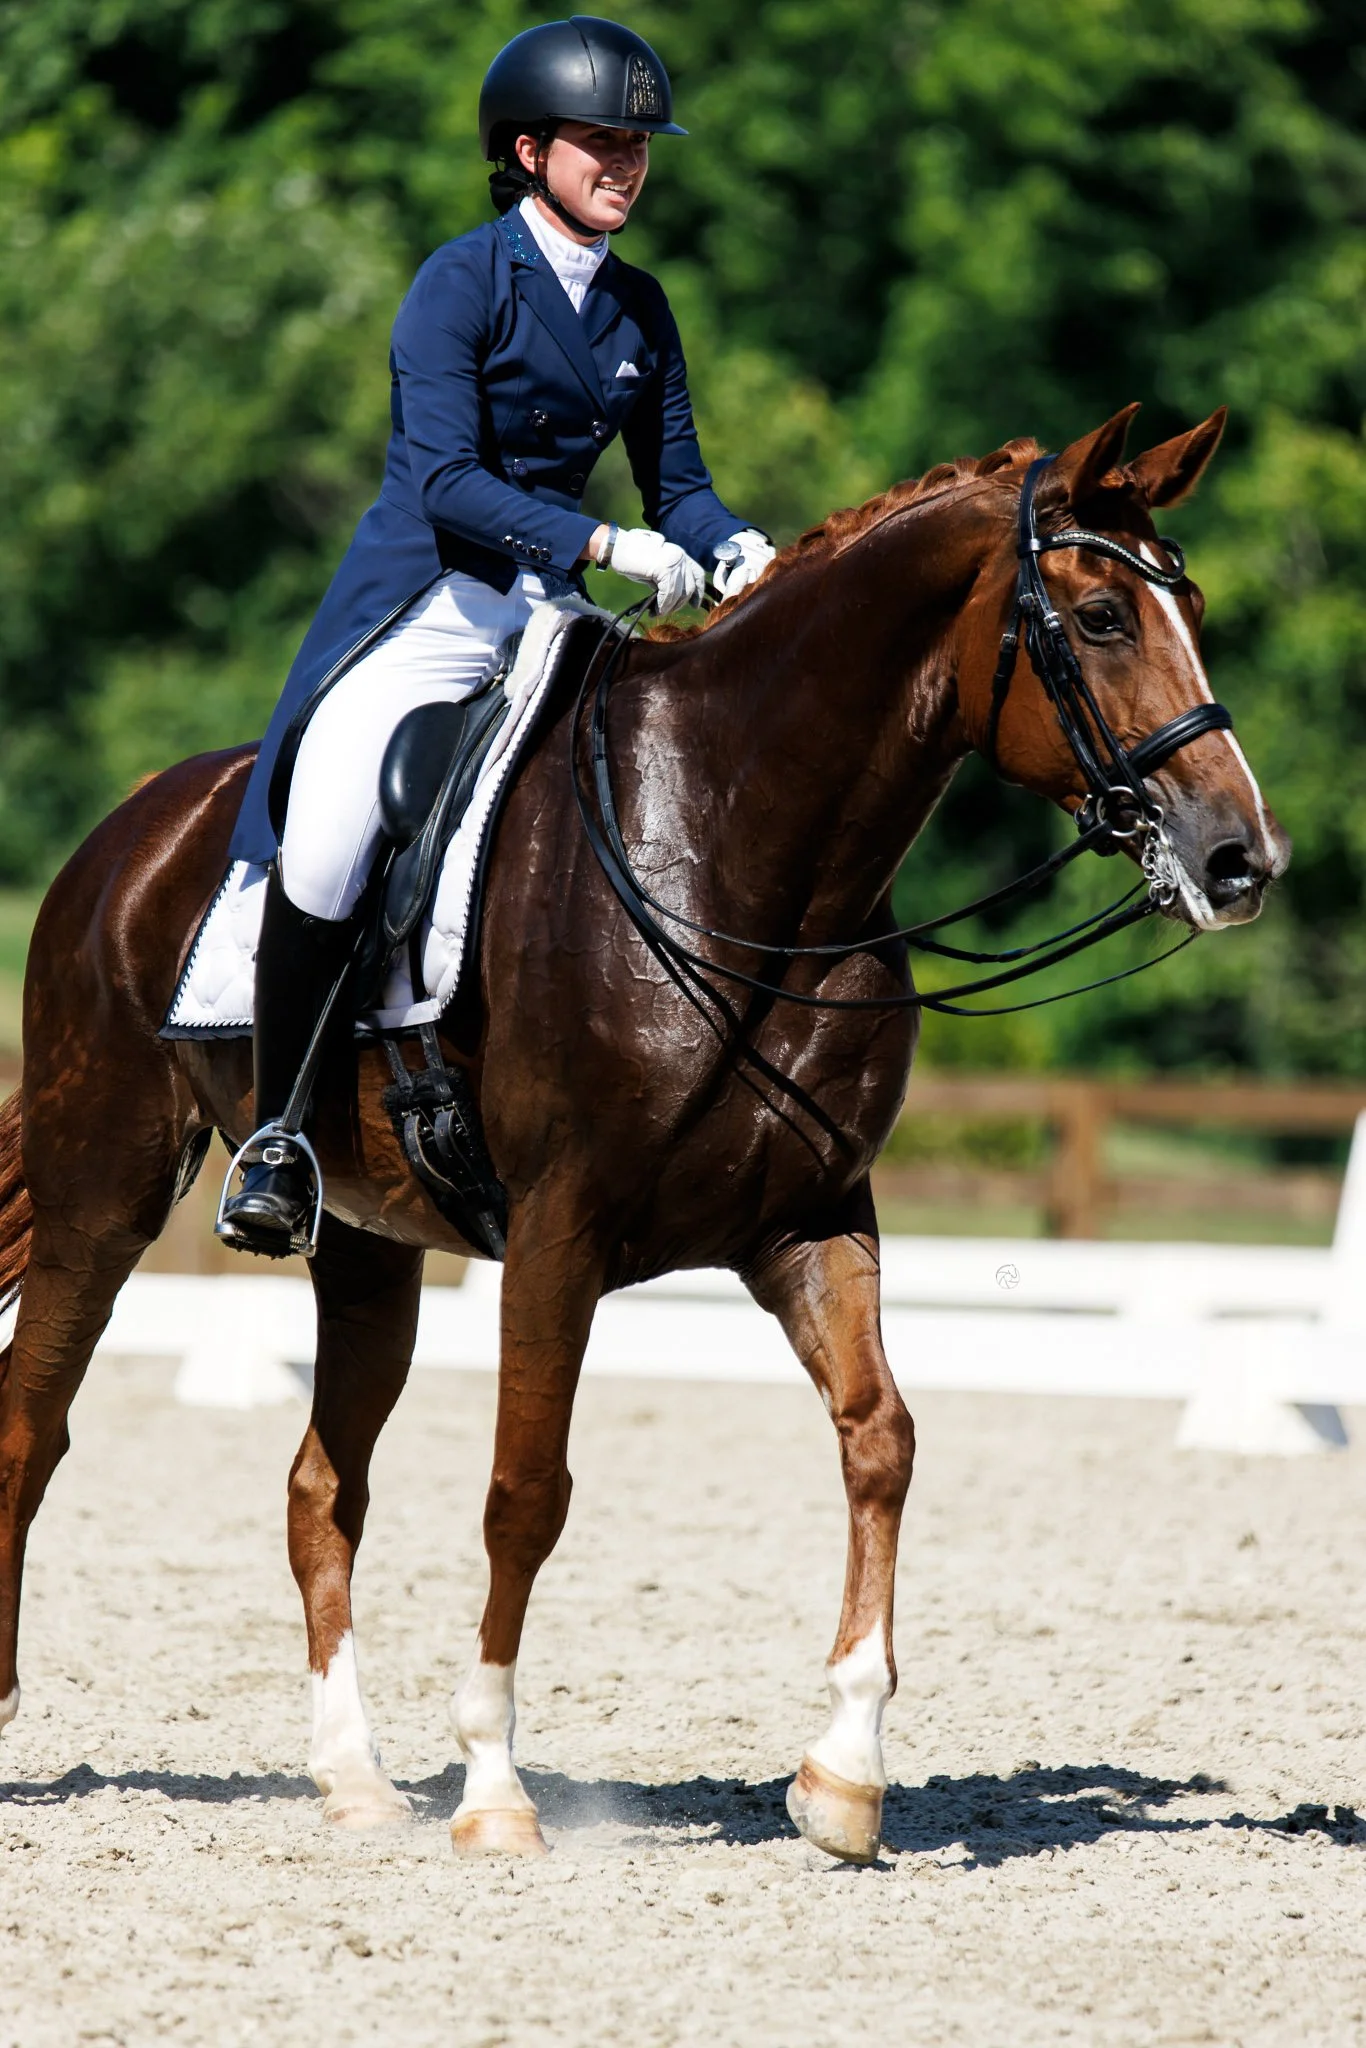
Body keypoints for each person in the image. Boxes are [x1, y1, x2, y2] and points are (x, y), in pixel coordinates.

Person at [217, 15, 774, 1256]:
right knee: (331, 826)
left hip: (554, 620)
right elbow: (446, 483)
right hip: (435, 601)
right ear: (529, 151)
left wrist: (737, 545)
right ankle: (279, 1132)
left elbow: (677, 483)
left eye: (638, 144)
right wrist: (600, 544)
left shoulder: (641, 308)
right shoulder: (460, 281)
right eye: (599, 143)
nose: (626, 163)